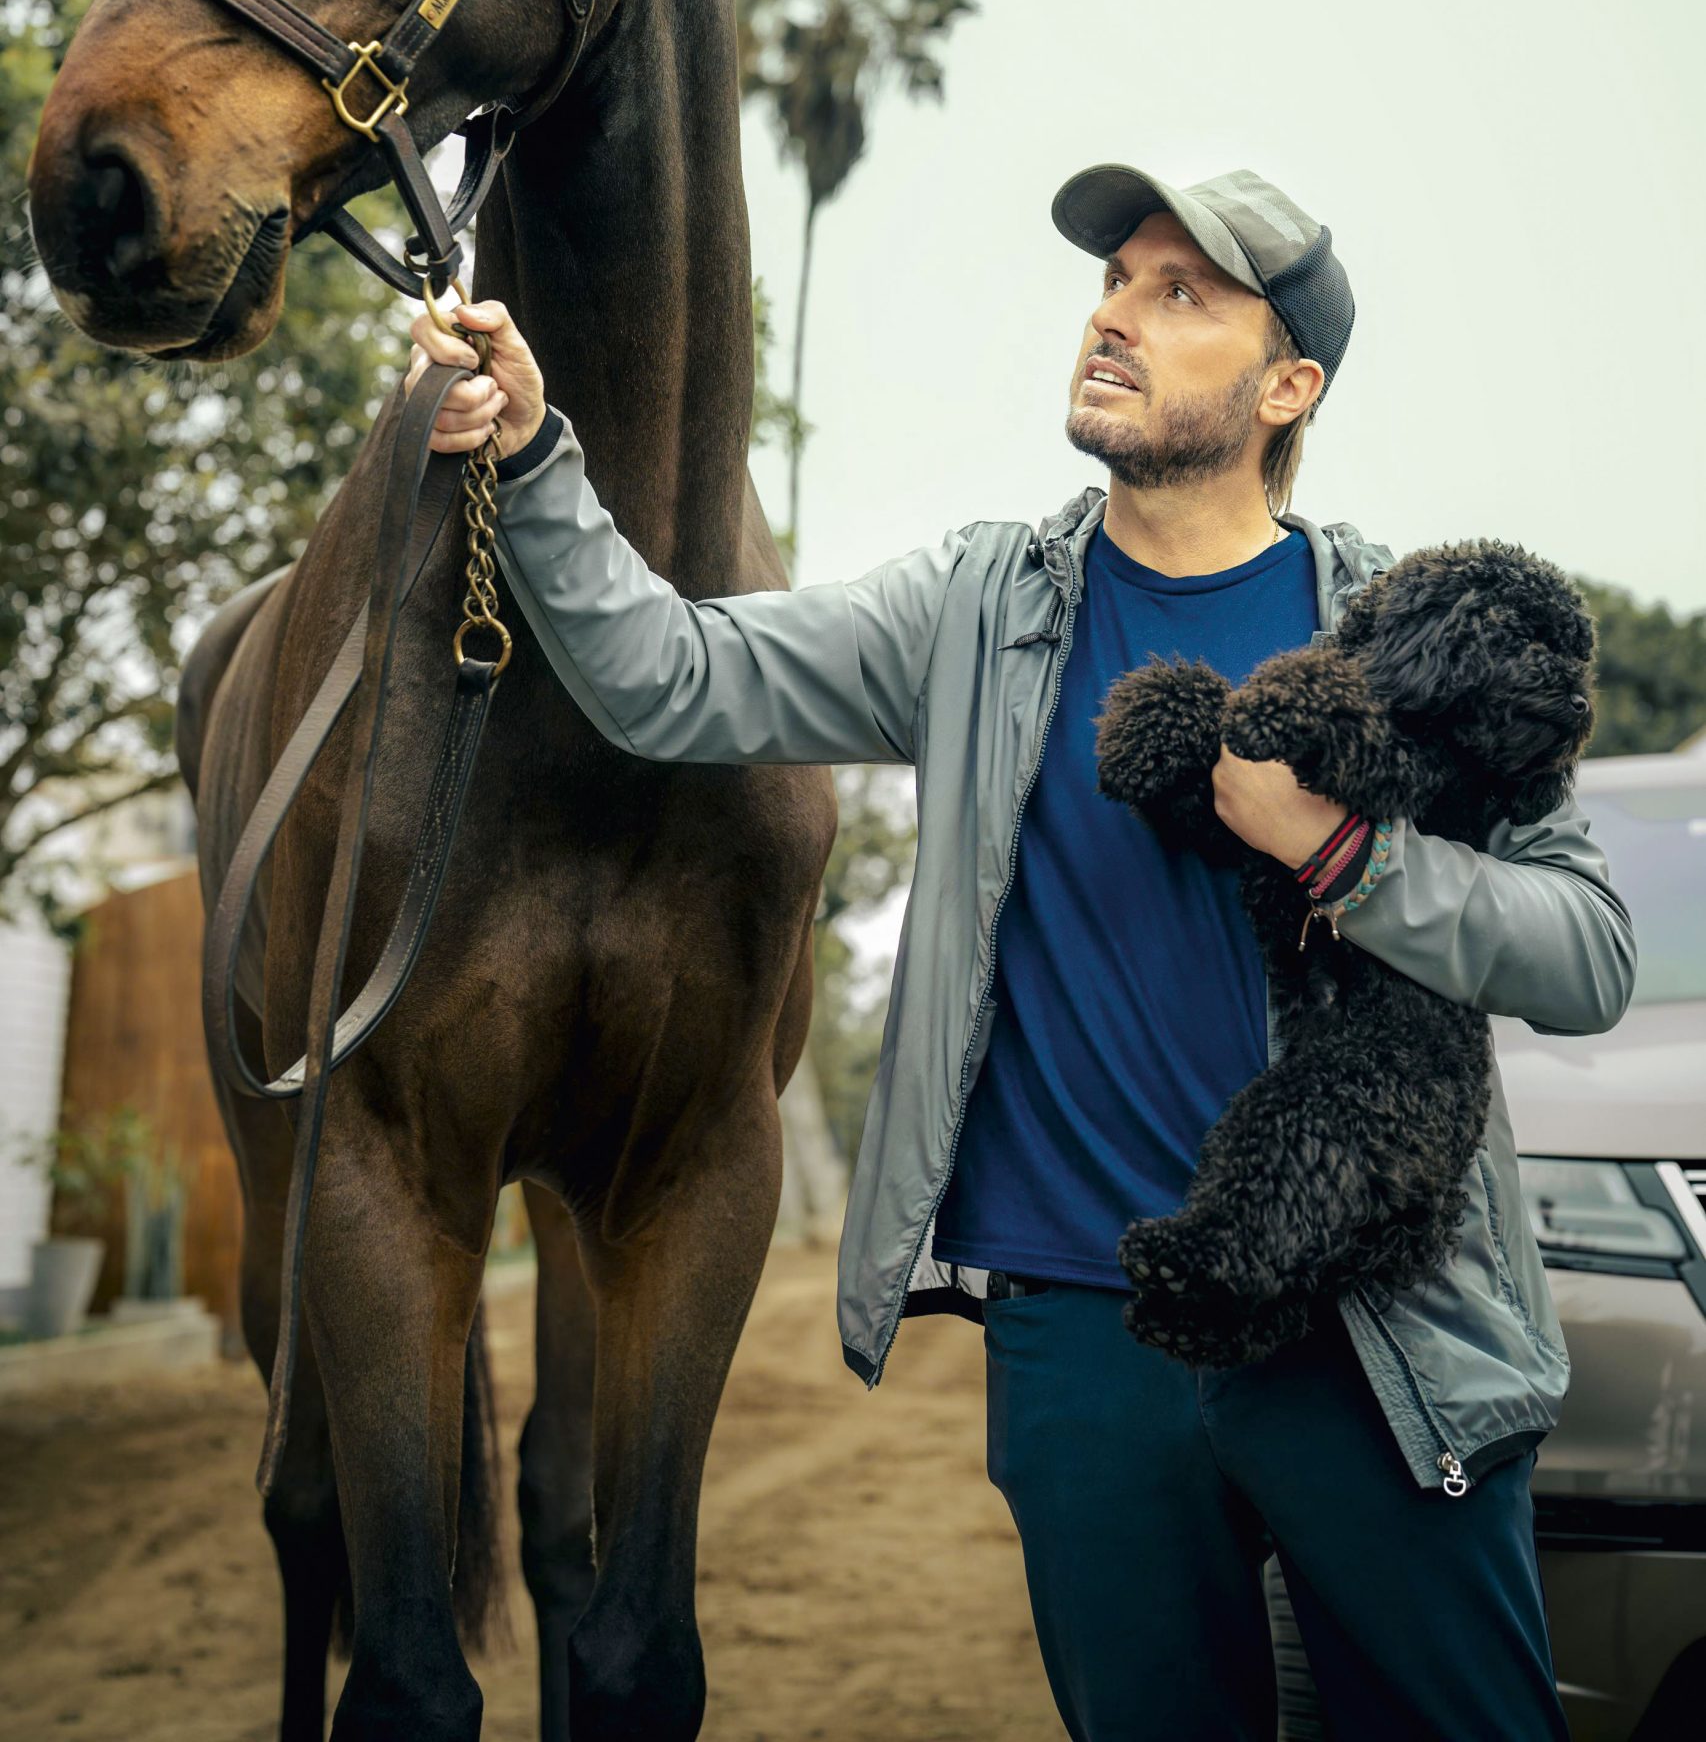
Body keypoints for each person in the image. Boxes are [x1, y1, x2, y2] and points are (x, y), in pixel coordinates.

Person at [408, 162, 1632, 1742]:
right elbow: (670, 676)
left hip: (1370, 1336)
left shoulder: (1402, 635)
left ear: (1287, 383)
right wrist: (531, 446)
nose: (1115, 313)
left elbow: (1585, 950)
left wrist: (1337, 852)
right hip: (1079, 1336)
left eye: (1181, 291)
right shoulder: (979, 607)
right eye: (1115, 281)